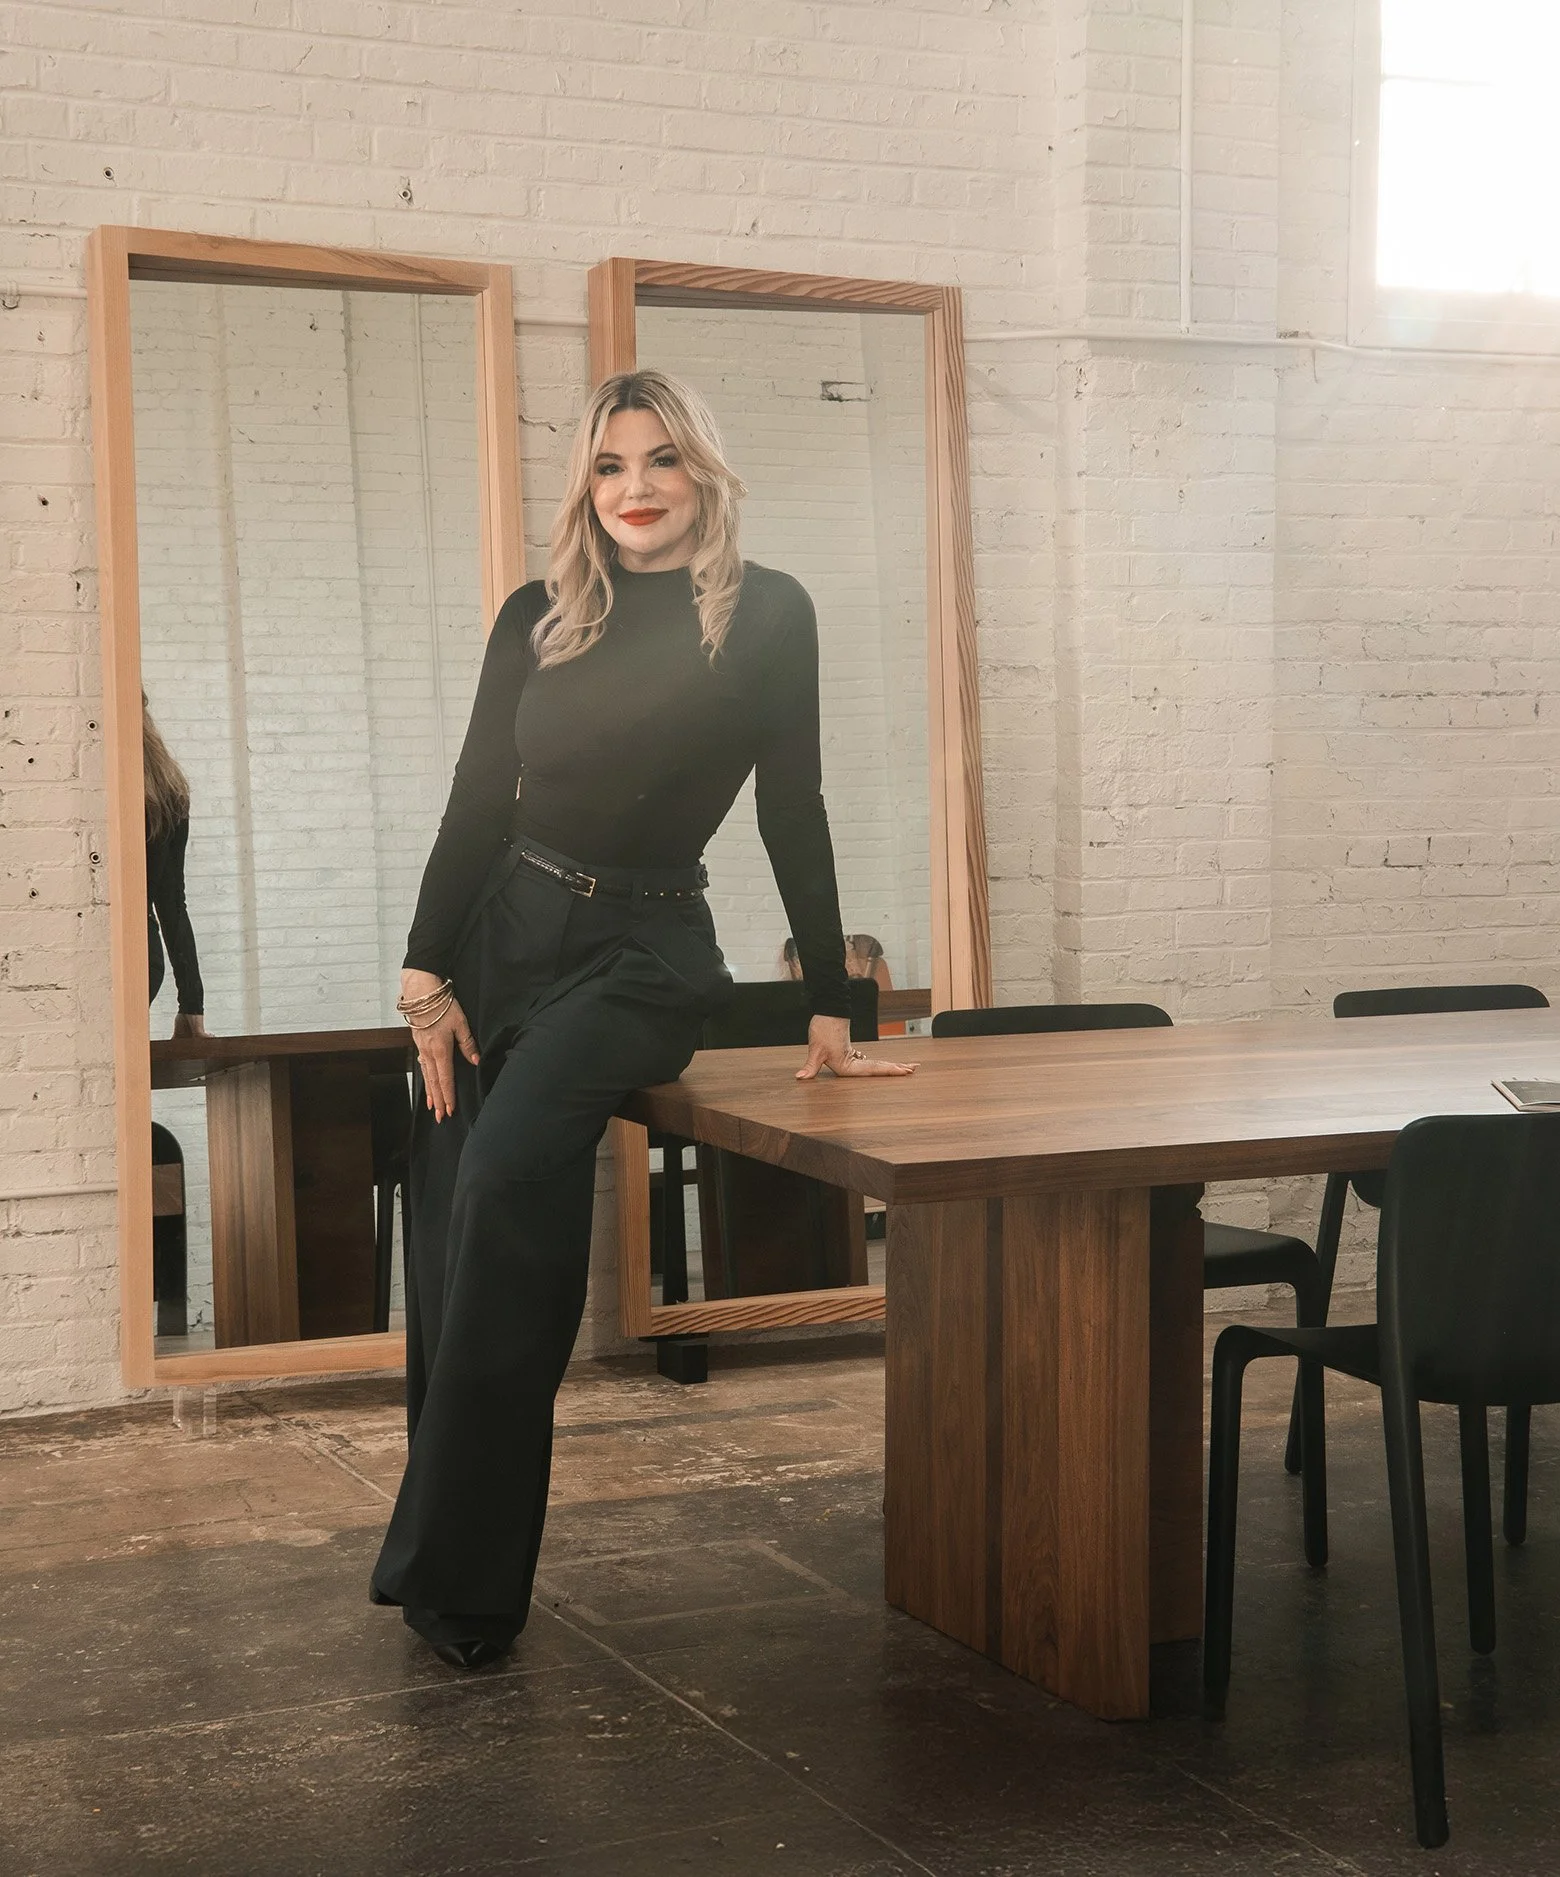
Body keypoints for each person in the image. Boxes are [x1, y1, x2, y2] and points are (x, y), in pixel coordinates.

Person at [370, 369, 915, 1669]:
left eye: (661, 460)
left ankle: (467, 1577)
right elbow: (474, 803)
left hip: (646, 955)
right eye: (611, 466)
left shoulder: (768, 614)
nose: (636, 489)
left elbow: (796, 806)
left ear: (703, 472)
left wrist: (833, 1002)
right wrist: (424, 974)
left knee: (506, 1183)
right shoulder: (540, 615)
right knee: (452, 1235)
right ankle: (443, 1546)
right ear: (587, 484)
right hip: (503, 937)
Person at [143, 696, 206, 1040]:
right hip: (144, 961)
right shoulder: (166, 790)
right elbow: (172, 904)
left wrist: (192, 1005)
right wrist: (192, 1005)